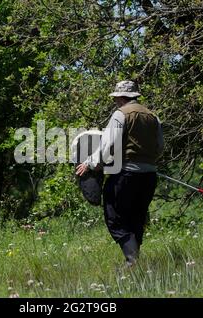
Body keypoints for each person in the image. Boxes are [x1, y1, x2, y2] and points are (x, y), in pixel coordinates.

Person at [75, 80, 164, 266]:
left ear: (122, 98)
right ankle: (133, 261)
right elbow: (160, 148)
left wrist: (90, 164)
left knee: (114, 217)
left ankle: (132, 261)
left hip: (126, 175)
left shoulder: (120, 115)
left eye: (116, 98)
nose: (115, 102)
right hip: (149, 176)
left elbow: (108, 145)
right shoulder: (153, 117)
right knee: (136, 217)